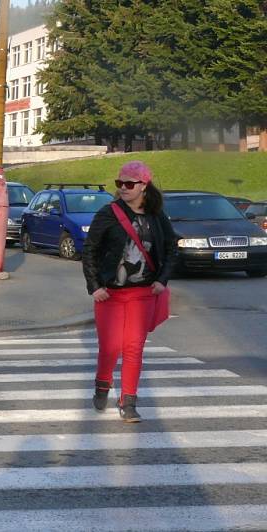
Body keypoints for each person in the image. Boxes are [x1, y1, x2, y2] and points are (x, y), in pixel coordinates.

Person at [82, 161, 178, 422]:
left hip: (142, 293)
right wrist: (95, 286)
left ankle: (129, 402)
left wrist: (162, 279)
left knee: (134, 347)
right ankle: (102, 385)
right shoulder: (108, 213)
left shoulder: (157, 216)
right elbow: (89, 250)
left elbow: (171, 248)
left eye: (129, 184)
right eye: (119, 183)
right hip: (110, 293)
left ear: (144, 186)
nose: (123, 188)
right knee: (111, 347)